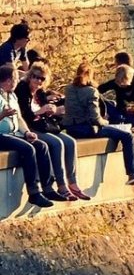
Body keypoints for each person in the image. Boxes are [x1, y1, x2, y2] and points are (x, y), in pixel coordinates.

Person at [0, 64, 68, 206]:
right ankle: (34, 192)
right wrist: (2, 115)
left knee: (41, 146)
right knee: (28, 149)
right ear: (7, 80)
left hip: (14, 133)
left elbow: (19, 118)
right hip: (2, 135)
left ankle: (48, 188)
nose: (17, 82)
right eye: (15, 79)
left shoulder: (11, 95)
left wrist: (27, 132)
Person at [64, 63, 134, 185]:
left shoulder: (68, 89)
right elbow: (95, 119)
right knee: (127, 135)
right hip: (88, 130)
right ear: (91, 75)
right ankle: (133, 173)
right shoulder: (91, 92)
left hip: (72, 129)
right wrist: (106, 121)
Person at [20, 63, 85, 201]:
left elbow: (45, 113)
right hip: (30, 127)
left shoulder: (40, 92)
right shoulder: (22, 90)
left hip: (44, 125)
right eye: (35, 77)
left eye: (42, 79)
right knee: (56, 144)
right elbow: (24, 116)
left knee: (70, 141)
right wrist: (41, 111)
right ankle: (61, 186)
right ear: (29, 76)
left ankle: (72, 182)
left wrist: (53, 110)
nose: (38, 81)